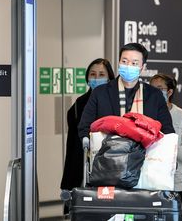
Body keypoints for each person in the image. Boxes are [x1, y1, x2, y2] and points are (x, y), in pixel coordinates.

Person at [78, 43, 175, 142]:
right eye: (124, 61)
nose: (128, 66)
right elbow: (85, 126)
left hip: (146, 155)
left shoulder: (154, 96)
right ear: (119, 62)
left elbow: (167, 131)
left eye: (134, 63)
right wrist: (87, 140)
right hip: (107, 154)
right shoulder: (100, 93)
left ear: (142, 67)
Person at [60, 58, 115, 192]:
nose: (96, 78)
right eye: (92, 74)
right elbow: (72, 147)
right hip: (83, 166)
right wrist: (67, 184)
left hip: (111, 166)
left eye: (101, 75)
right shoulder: (79, 105)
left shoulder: (117, 101)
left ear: (109, 78)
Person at [150, 73, 182, 221]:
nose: (154, 93)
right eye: (151, 89)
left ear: (169, 92)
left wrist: (168, 148)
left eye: (159, 89)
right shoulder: (146, 115)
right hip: (152, 183)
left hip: (179, 184)